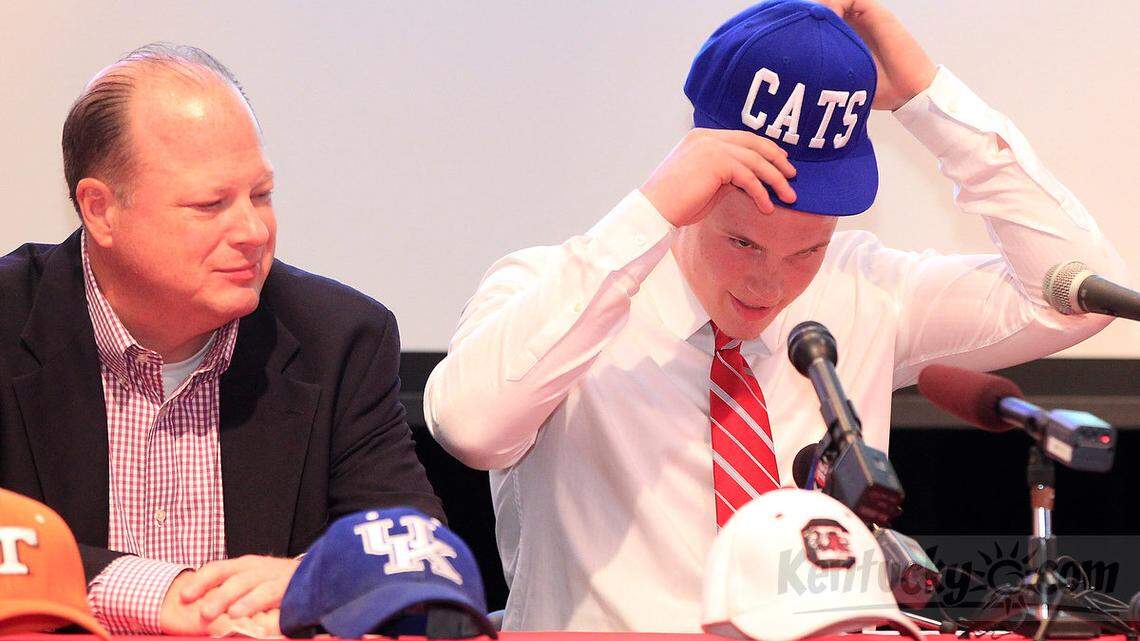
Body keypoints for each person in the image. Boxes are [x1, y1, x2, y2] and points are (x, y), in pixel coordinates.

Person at [424, 0, 1126, 632]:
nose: (771, 282)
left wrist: (925, 100)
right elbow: (469, 427)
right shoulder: (555, 289)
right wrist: (646, 211)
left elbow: (1070, 296)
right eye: (742, 241)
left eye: (807, 250)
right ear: (688, 195)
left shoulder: (865, 287)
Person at [0, 44, 443, 636]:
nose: (254, 231)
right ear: (100, 210)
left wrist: (316, 579)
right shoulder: (8, 322)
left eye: (261, 195)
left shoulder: (338, 339)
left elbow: (415, 552)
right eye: (210, 204)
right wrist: (163, 593)